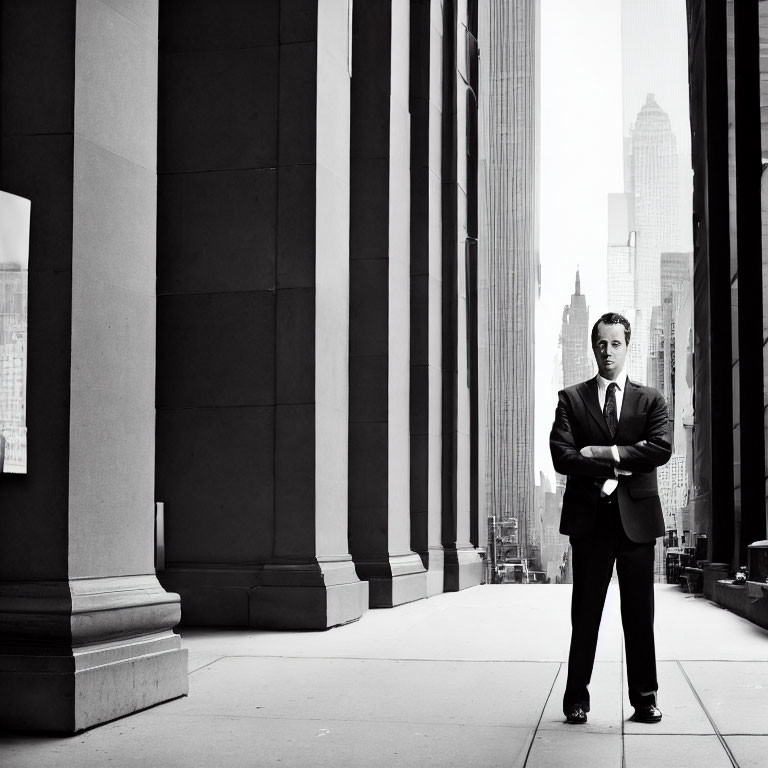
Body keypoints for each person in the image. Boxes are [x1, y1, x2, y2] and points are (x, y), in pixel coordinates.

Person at [549, 312, 672, 725]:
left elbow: (660, 449)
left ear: (626, 346)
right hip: (590, 524)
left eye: (615, 343)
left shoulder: (651, 399)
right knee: (585, 616)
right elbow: (562, 456)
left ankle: (645, 699)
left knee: (640, 617)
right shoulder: (571, 399)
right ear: (593, 346)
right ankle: (576, 700)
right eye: (601, 343)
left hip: (637, 524)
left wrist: (602, 454)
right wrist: (624, 461)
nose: (608, 351)